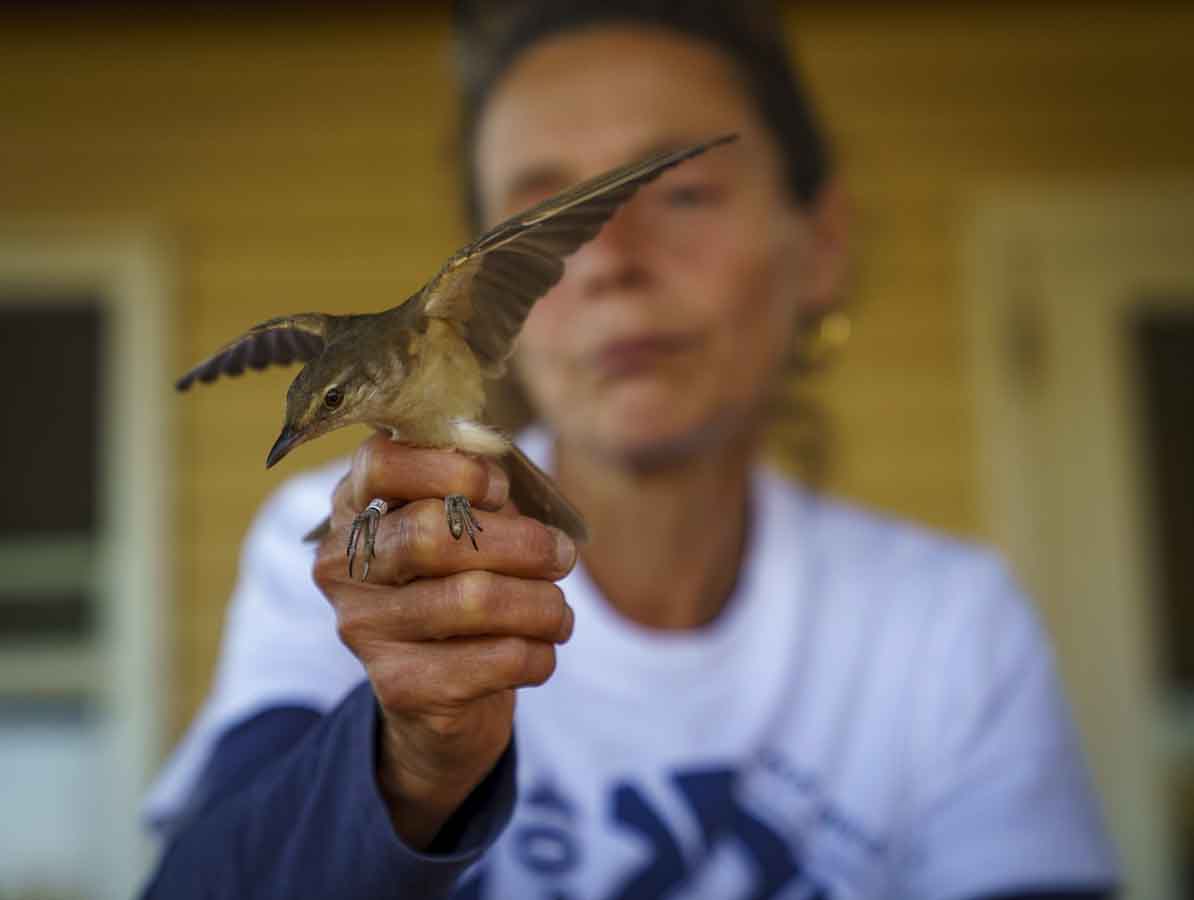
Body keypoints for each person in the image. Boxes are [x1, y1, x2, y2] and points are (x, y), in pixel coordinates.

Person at [141, 2, 1120, 897]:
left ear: (821, 244)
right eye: (551, 214)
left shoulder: (947, 627)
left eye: (683, 192)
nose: (611, 261)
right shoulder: (341, 549)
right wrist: (412, 763)